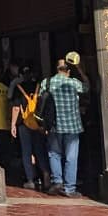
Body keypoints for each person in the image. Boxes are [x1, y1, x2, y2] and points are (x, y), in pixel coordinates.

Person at [44, 58, 86, 197]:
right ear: (68, 72)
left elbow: (41, 102)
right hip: (72, 126)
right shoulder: (74, 83)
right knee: (71, 157)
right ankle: (69, 188)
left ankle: (57, 181)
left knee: (54, 154)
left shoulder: (47, 82)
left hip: (54, 125)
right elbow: (88, 87)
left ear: (57, 69)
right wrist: (80, 69)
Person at [8, 66, 50, 192]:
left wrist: (13, 125)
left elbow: (16, 108)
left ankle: (30, 180)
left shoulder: (19, 88)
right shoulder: (39, 87)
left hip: (24, 124)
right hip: (37, 123)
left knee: (26, 151)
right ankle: (46, 175)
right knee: (39, 150)